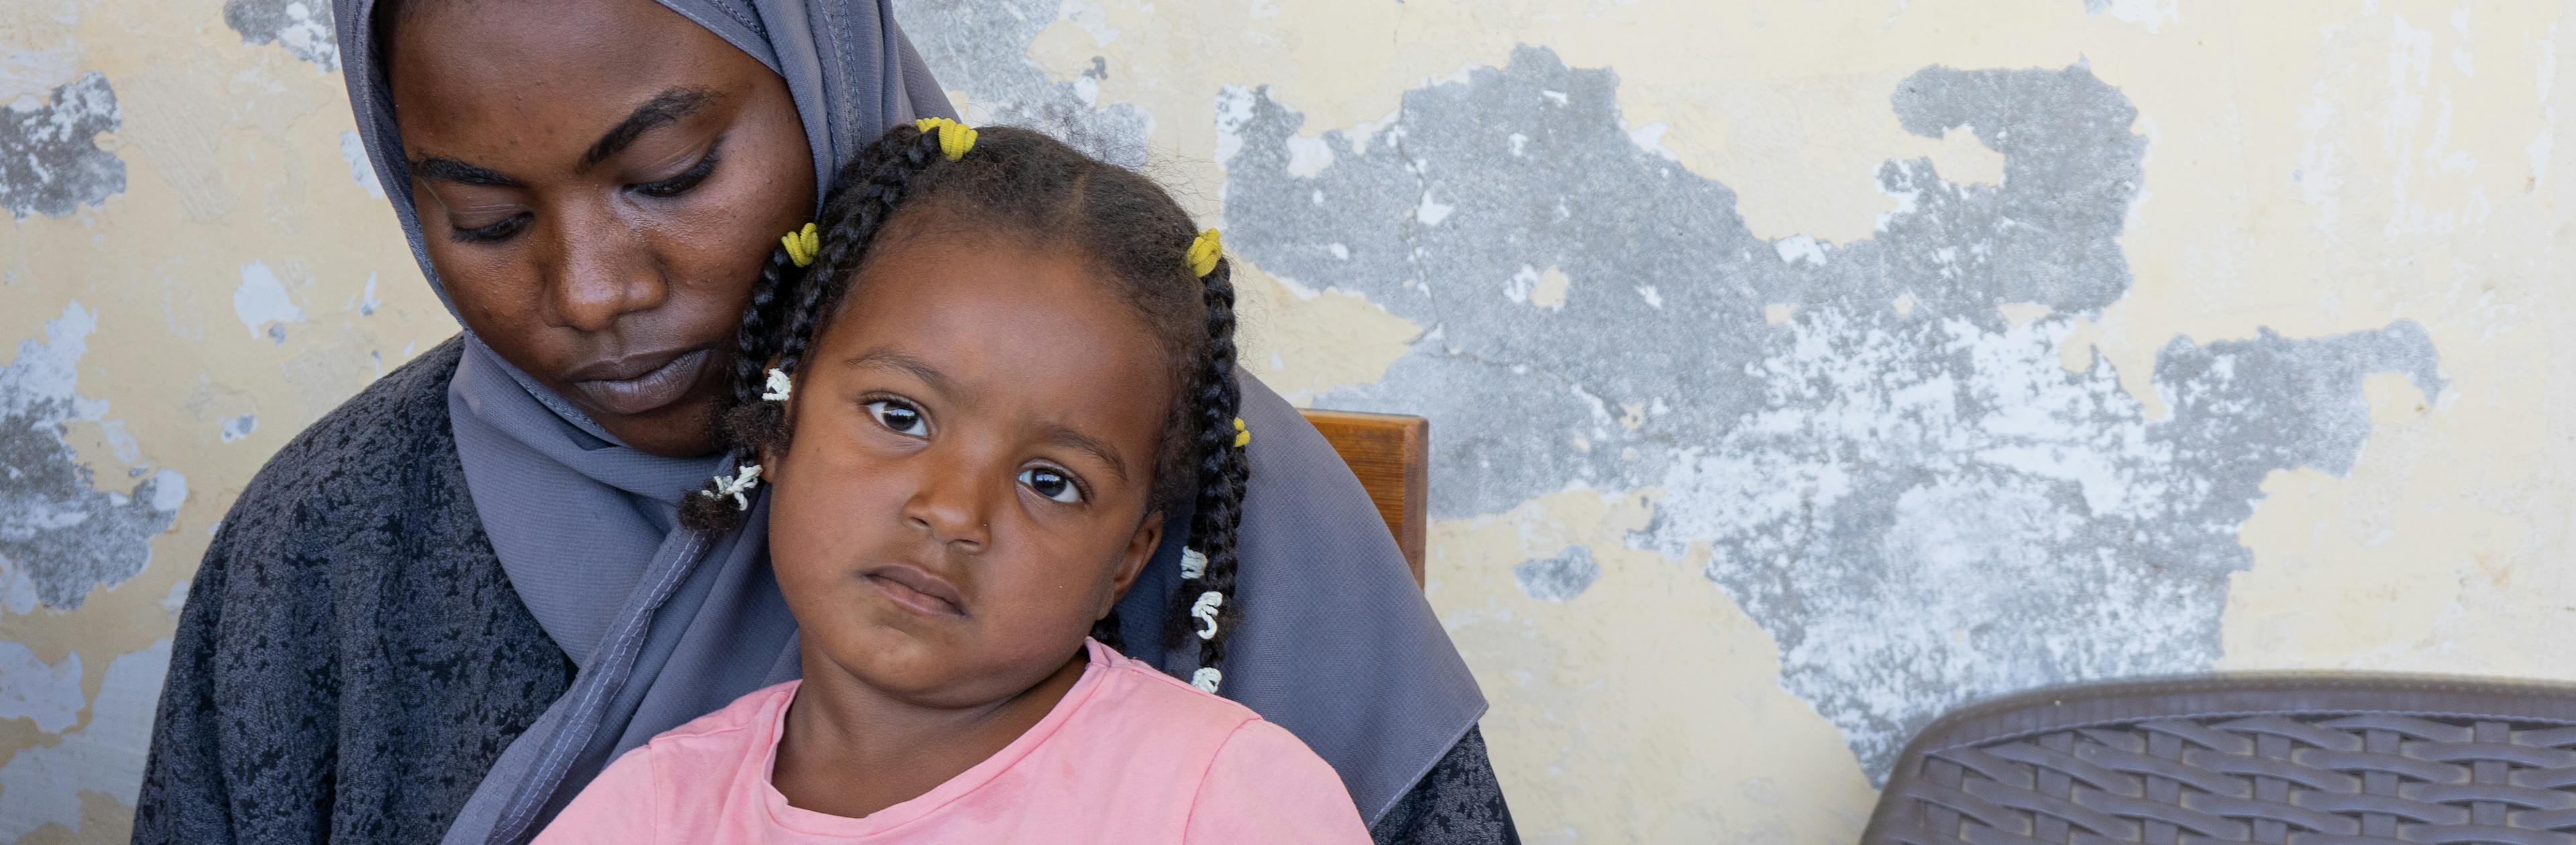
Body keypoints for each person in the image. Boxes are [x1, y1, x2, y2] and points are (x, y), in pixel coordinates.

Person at [133, 0, 1508, 842]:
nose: (595, 290)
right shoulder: (327, 550)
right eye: (484, 219)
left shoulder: (1236, 518)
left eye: (672, 174)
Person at [535, 118, 1369, 844]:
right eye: (901, 416)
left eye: (1051, 480)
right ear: (781, 427)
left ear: (1126, 560)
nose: (953, 511)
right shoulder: (654, 811)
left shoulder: (1218, 797)